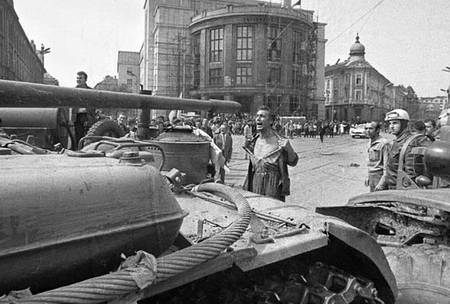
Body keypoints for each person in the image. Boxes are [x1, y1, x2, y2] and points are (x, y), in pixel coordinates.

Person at [244, 106, 298, 201]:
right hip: (255, 185)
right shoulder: (253, 142)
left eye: (262, 116)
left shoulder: (280, 141)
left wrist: (289, 148)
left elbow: (293, 162)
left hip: (273, 187)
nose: (258, 119)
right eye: (257, 116)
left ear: (271, 121)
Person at [376, 109, 431, 190]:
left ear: (405, 124)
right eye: (390, 123)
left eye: (395, 123)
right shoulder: (396, 141)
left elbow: (411, 175)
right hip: (391, 187)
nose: (391, 126)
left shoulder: (410, 143)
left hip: (400, 189)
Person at [364, 121, 390, 192]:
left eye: (370, 129)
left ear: (377, 130)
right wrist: (367, 176)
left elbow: (386, 166)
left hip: (379, 177)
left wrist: (382, 183)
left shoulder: (384, 143)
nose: (368, 131)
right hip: (371, 176)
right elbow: (369, 162)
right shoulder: (369, 143)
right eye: (366, 128)